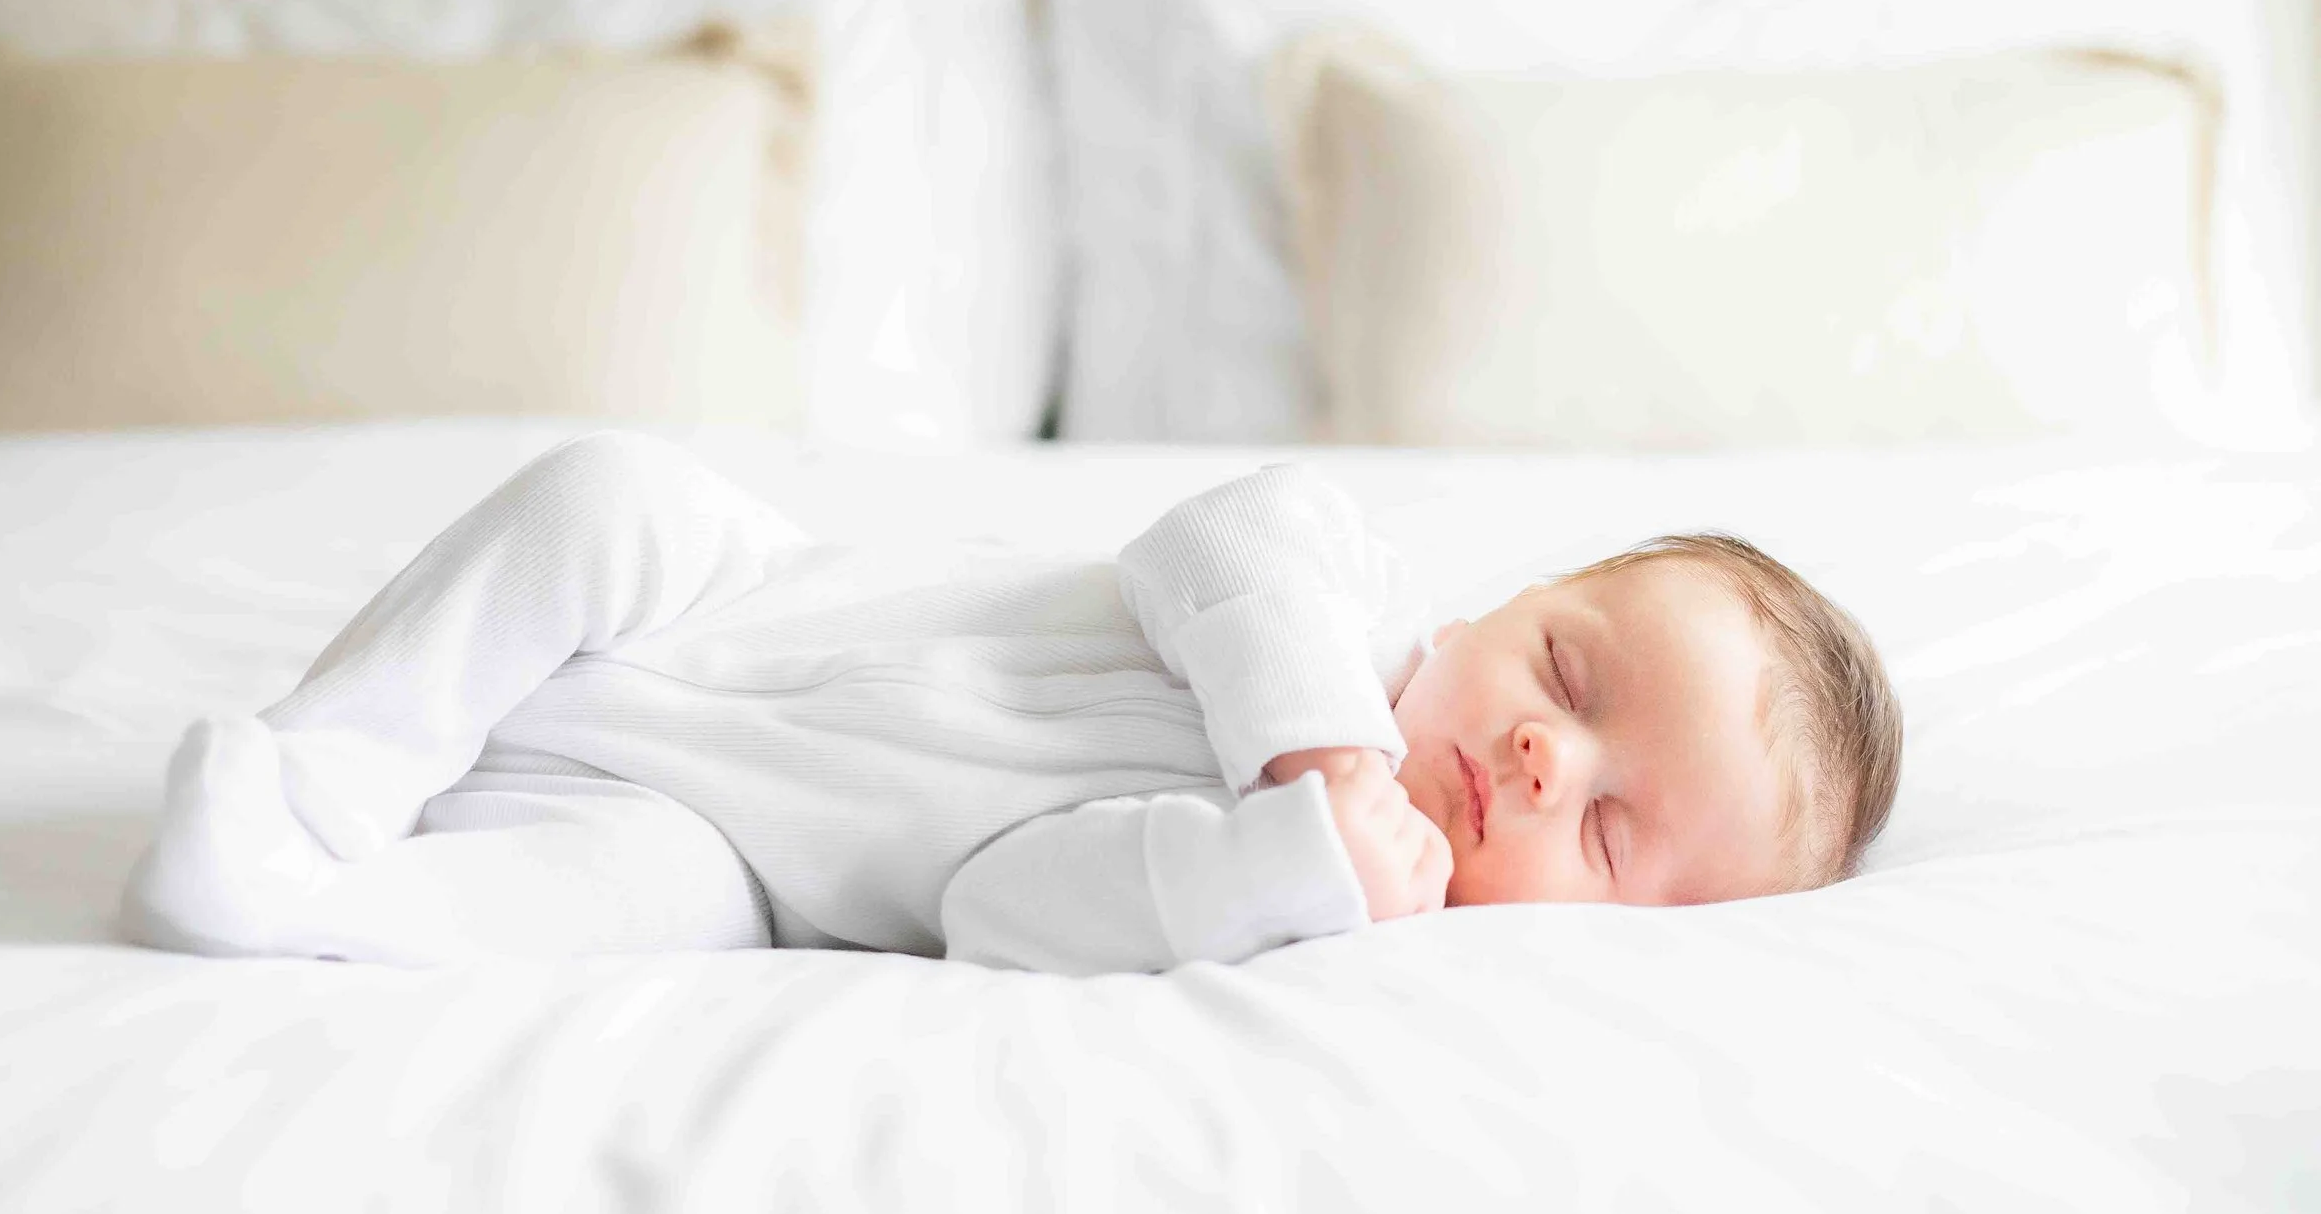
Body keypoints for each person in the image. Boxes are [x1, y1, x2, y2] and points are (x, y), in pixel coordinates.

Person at [121, 432, 1901, 974]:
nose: (1538, 753)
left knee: (608, 921)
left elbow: (997, 909)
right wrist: (1320, 753)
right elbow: (1206, 536)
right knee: (608, 494)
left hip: (732, 855)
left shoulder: (1312, 916)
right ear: (1507, 602)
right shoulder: (1339, 603)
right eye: (1569, 673)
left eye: (1608, 829)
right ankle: (318, 776)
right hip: (722, 604)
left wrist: (1278, 865)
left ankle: (293, 902)